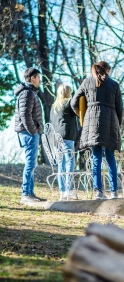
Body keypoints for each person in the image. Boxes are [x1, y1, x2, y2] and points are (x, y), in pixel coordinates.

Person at [71, 61, 123, 200]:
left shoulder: (87, 82)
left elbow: (73, 102)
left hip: (92, 123)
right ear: (106, 70)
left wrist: (83, 116)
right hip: (110, 122)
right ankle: (114, 192)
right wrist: (118, 125)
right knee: (111, 158)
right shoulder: (114, 84)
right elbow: (120, 109)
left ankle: (98, 191)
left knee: (96, 158)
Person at [14, 67, 44, 203]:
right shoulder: (27, 93)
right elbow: (24, 115)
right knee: (30, 163)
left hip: (30, 132)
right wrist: (33, 131)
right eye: (38, 77)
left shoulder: (30, 92)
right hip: (28, 132)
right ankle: (26, 194)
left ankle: (30, 193)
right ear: (32, 78)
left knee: (32, 163)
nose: (39, 80)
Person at [50, 84, 79, 200]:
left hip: (56, 137)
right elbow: (78, 113)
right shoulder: (70, 103)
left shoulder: (54, 106)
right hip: (67, 136)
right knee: (70, 163)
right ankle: (69, 189)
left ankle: (62, 192)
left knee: (61, 165)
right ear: (68, 92)